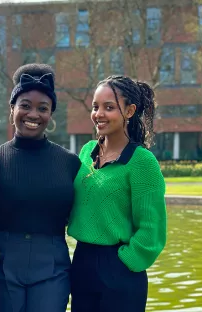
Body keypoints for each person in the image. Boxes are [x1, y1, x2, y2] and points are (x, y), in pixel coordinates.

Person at [68, 75, 167, 312]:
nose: (98, 114)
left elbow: (152, 230)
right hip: (81, 262)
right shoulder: (86, 151)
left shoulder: (143, 162)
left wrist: (126, 262)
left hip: (119, 269)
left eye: (109, 107)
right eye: (95, 107)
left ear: (130, 111)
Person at [0, 63, 81, 312]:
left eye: (43, 108)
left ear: (51, 114)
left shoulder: (69, 163)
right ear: (12, 109)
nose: (33, 115)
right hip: (1, 265)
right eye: (25, 105)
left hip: (52, 267)